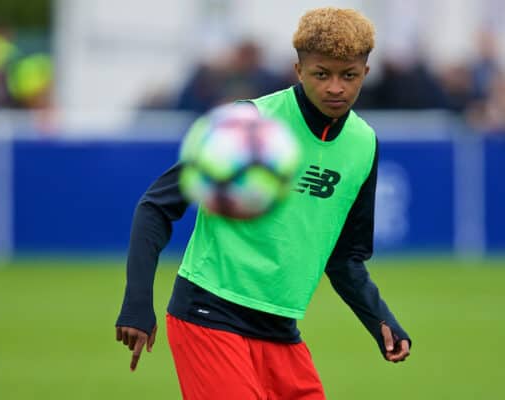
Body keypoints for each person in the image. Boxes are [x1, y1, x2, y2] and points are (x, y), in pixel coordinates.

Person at [116, 7, 411, 399]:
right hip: (209, 316)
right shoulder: (249, 123)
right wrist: (138, 303)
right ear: (299, 70)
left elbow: (345, 258)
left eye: (349, 75)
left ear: (366, 75)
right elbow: (156, 206)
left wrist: (380, 320)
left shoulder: (363, 144)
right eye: (322, 74)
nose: (336, 87)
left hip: (281, 332)